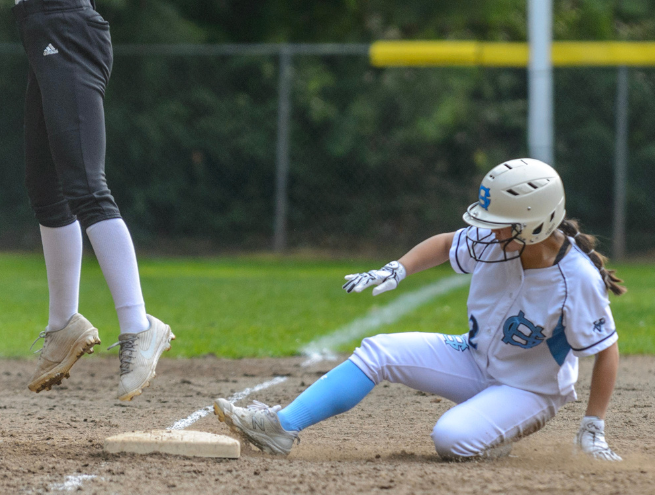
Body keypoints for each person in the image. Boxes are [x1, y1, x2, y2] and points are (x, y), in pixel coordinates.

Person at [215, 158, 624, 460]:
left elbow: (605, 350)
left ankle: (493, 430)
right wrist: (398, 268)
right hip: (474, 358)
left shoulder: (577, 279)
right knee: (378, 351)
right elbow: (447, 243)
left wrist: (593, 426)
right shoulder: (498, 238)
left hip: (529, 390)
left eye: (499, 220)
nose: (486, 228)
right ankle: (281, 427)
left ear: (534, 223)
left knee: (451, 439)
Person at [11, 0, 174, 401]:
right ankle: (65, 324)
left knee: (85, 186)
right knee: (46, 187)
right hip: (43, 31)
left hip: (67, 28)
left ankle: (139, 324)